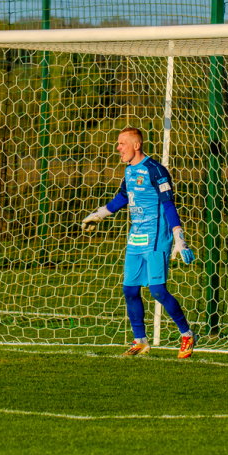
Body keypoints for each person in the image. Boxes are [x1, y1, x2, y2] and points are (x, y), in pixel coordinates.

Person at [81, 127, 197, 358]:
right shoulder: (128, 171)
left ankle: (186, 334)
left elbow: (168, 205)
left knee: (157, 291)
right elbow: (123, 197)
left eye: (122, 143)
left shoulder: (156, 171)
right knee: (129, 290)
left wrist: (179, 239)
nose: (118, 148)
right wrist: (99, 214)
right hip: (136, 237)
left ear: (136, 145)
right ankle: (140, 340)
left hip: (156, 237)